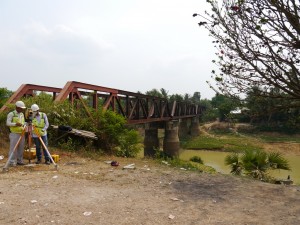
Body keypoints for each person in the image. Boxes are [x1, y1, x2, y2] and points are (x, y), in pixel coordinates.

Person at [6, 101, 26, 166]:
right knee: (13, 148)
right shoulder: (11, 114)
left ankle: (20, 161)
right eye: (21, 108)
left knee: (21, 148)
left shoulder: (22, 114)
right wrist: (15, 124)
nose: (22, 109)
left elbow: (23, 123)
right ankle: (12, 162)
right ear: (17, 107)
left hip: (22, 133)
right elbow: (8, 123)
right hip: (14, 133)